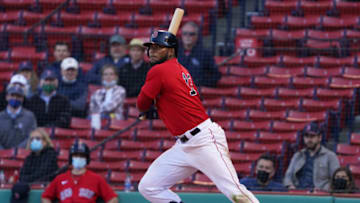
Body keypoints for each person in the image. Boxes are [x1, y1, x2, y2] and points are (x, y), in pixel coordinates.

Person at [137, 30, 259, 203]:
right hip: (184, 144)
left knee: (234, 191)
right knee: (149, 186)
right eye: (151, 48)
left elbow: (142, 103)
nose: (152, 51)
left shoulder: (160, 71)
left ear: (170, 51)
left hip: (203, 139)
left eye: (158, 48)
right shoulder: (178, 69)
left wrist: (148, 104)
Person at [41, 141, 118, 203]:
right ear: (71, 158)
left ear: (86, 159)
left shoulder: (96, 178)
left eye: (82, 156)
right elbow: (45, 197)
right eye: (75, 156)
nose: (78, 158)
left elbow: (113, 198)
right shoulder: (60, 178)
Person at [283, 122, 340, 191]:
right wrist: (290, 186)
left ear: (320, 138)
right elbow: (288, 176)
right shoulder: (298, 155)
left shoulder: (330, 156)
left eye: (312, 136)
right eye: (306, 136)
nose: (309, 140)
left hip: (319, 196)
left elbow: (336, 179)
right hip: (298, 193)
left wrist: (323, 190)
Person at [177, 21, 221, 87]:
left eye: (191, 34)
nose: (187, 36)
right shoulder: (173, 52)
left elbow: (215, 75)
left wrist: (200, 83)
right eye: (185, 33)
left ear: (197, 36)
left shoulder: (205, 54)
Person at [89, 64, 126, 129]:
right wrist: (97, 114)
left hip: (115, 118)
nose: (108, 77)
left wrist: (98, 112)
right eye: (105, 74)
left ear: (116, 77)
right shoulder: (97, 93)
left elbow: (110, 107)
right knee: (90, 118)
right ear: (102, 77)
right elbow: (92, 109)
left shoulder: (120, 90)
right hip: (98, 118)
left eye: (111, 74)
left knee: (102, 116)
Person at [0, 85, 37, 149]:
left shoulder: (30, 116)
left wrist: (17, 151)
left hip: (23, 154)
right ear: (7, 97)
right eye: (12, 95)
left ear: (22, 99)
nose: (15, 98)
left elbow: (31, 136)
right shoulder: (0, 116)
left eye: (18, 96)